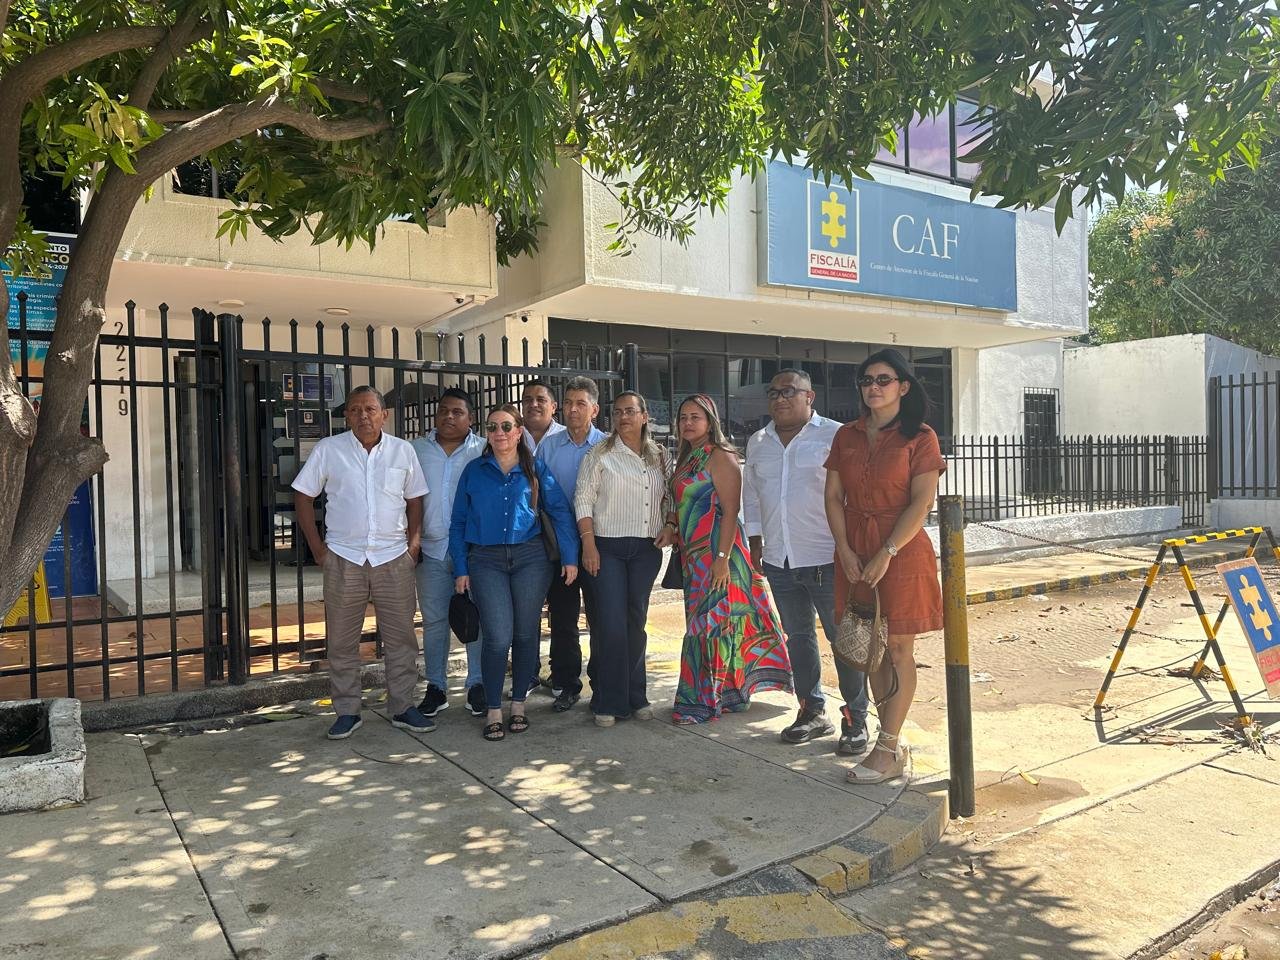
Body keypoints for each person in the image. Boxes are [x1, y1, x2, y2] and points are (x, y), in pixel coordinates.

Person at [824, 348, 945, 784]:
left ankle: (888, 746)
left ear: (903, 387)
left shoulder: (921, 437)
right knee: (870, 648)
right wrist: (844, 549)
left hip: (902, 550)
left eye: (883, 380)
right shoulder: (847, 435)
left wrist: (886, 551)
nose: (872, 387)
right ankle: (887, 740)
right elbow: (833, 496)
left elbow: (922, 502)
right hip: (854, 550)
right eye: (866, 380)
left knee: (897, 649)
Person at [292, 386, 433, 740]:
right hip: (344, 557)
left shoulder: (402, 451)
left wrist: (413, 545)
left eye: (370, 409)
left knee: (401, 638)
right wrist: (318, 549)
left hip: (393, 557)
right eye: (355, 410)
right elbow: (303, 496)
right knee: (342, 641)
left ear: (384, 415)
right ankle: (347, 711)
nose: (363, 416)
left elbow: (415, 500)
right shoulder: (329, 449)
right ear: (347, 416)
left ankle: (403, 706)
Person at [743, 369, 869, 754]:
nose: (780, 398)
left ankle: (856, 718)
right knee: (798, 639)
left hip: (828, 557)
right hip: (779, 559)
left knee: (843, 640)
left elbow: (854, 493)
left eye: (789, 391)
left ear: (809, 396)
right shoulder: (758, 441)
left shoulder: (836, 435)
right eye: (773, 393)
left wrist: (853, 549)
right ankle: (812, 710)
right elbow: (752, 495)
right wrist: (755, 541)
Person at [450, 404, 579, 741]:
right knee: (497, 636)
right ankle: (494, 708)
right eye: (493, 427)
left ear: (519, 432)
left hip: (531, 558)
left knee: (525, 634)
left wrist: (569, 557)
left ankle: (519, 703)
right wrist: (460, 567)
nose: (500, 433)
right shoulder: (474, 471)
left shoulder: (535, 468)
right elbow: (458, 522)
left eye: (507, 426)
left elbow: (560, 512)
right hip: (486, 560)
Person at [665, 394, 792, 724]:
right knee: (711, 622)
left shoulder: (720, 456)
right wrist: (671, 527)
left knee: (710, 624)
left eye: (695, 417)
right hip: (693, 557)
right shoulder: (687, 457)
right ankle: (729, 693)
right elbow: (681, 503)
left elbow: (732, 510)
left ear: (710, 422)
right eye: (683, 417)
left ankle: (702, 700)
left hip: (719, 553)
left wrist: (721, 559)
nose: (688, 423)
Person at [575, 391, 668, 727]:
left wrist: (670, 525)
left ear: (644, 416)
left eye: (630, 411)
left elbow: (670, 495)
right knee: (611, 624)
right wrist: (588, 545)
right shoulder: (599, 453)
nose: (623, 417)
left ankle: (636, 695)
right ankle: (608, 700)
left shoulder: (659, 455)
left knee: (635, 623)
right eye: (617, 412)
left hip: (646, 550)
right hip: (607, 548)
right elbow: (583, 499)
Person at [410, 387, 487, 720]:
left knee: (477, 618)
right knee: (434, 620)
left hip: (473, 550)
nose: (449, 416)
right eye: (443, 410)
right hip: (430, 550)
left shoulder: (484, 449)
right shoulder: (415, 450)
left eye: (457, 412)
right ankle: (436, 687)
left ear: (471, 418)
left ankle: (477, 683)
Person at [536, 376, 607, 711]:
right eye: (568, 403)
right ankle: (566, 683)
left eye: (581, 403)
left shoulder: (607, 446)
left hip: (598, 544)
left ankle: (602, 683)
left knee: (600, 616)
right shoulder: (548, 447)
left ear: (594, 409)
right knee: (563, 619)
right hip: (559, 547)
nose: (573, 409)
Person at [521, 379, 566, 454]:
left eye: (541, 400)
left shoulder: (567, 436)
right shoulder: (508, 434)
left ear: (553, 407)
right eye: (528, 400)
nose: (534, 404)